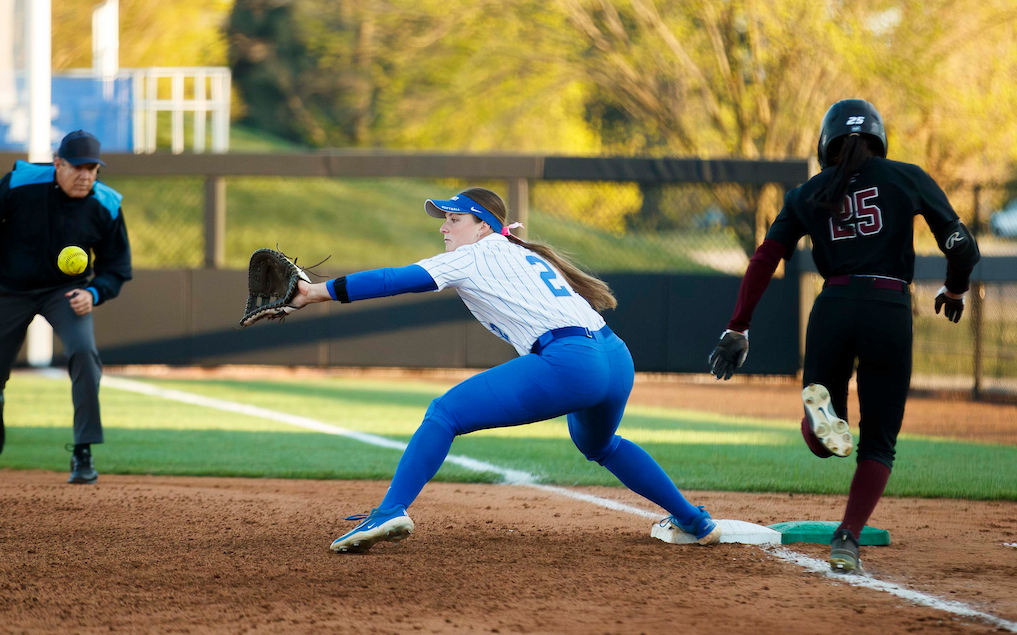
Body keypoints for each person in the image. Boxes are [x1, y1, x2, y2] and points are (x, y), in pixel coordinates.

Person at [286, 187, 722, 552]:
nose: (443, 227)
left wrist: (313, 293)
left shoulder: (476, 255)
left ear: (482, 226)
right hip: (614, 356)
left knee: (445, 413)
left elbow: (391, 280)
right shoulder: (522, 253)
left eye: (453, 218)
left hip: (570, 360)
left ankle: (388, 513)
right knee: (601, 445)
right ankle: (695, 523)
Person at [708, 99, 979, 573]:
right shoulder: (907, 177)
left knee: (824, 431)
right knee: (880, 442)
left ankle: (820, 422)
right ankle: (847, 539)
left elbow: (763, 260)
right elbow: (963, 246)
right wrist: (955, 290)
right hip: (889, 308)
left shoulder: (807, 193)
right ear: (879, 138)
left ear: (825, 142)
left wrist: (738, 327)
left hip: (832, 307)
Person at [0, 130, 132, 484]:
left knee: (84, 356)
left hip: (65, 293)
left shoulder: (106, 203)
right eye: (78, 167)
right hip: (8, 290)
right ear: (58, 163)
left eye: (93, 168)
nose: (86, 176)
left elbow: (117, 267)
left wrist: (93, 293)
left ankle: (83, 452)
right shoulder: (19, 183)